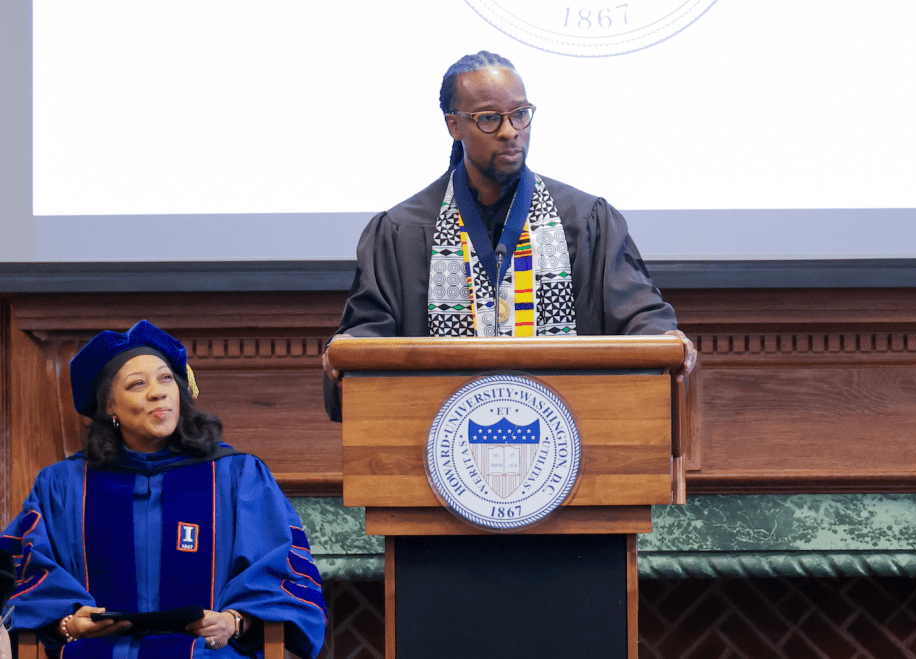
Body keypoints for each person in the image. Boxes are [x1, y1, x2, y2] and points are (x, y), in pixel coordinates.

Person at [324, 50, 695, 419]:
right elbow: (367, 333)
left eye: (520, 114)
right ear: (454, 125)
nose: (510, 131)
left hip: (571, 442)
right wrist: (351, 345)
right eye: (489, 118)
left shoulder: (585, 221)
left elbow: (639, 314)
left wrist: (662, 337)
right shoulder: (401, 232)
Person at [0, 320, 327, 658]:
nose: (158, 392)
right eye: (137, 384)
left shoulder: (238, 476)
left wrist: (234, 621)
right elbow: (22, 578)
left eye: (166, 378)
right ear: (109, 407)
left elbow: (283, 576)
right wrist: (68, 623)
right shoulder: (64, 486)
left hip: (205, 653)